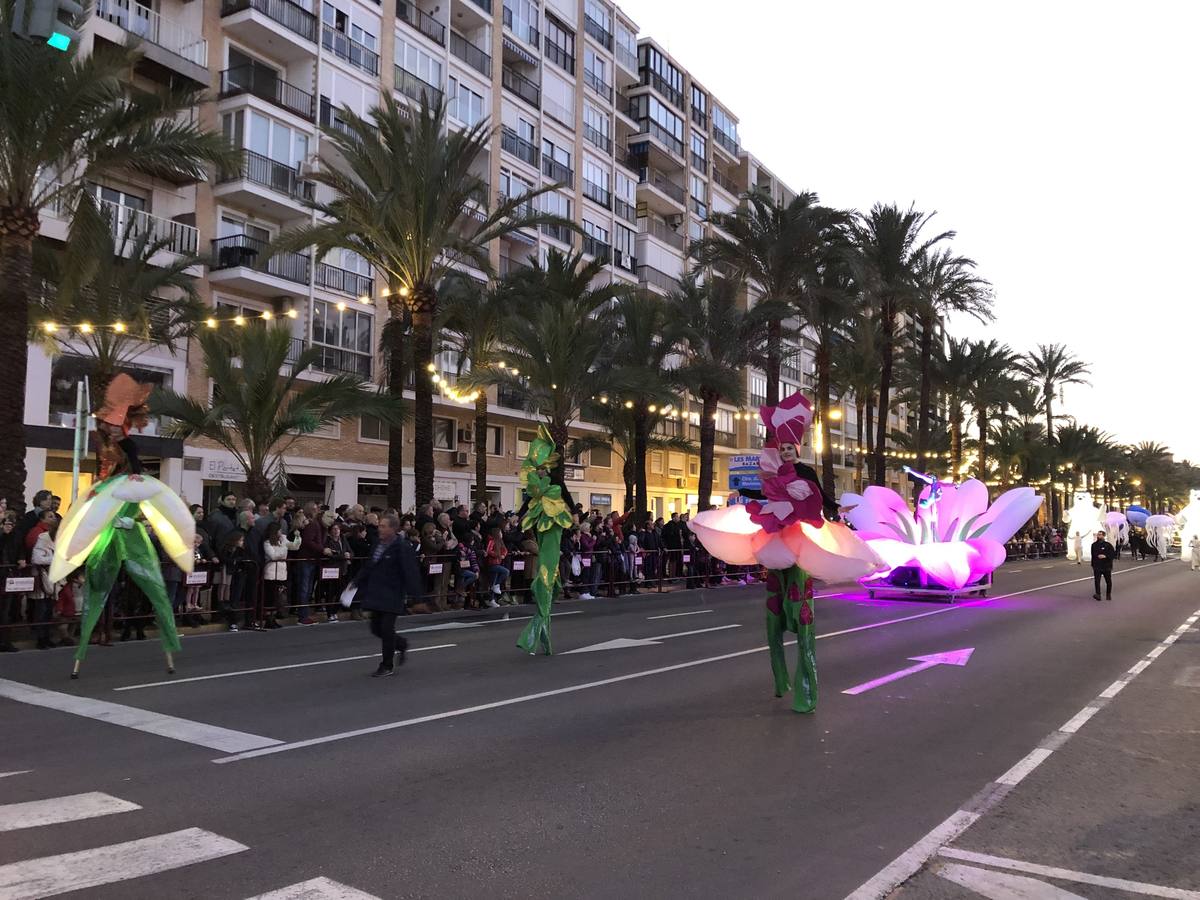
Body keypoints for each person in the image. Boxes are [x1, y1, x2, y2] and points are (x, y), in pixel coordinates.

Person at [351, 513, 421, 677]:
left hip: (393, 594)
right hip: (377, 592)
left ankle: (386, 665)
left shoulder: (402, 547)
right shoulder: (378, 544)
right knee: (376, 628)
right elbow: (370, 565)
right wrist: (356, 581)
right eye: (379, 525)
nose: (379, 529)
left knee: (387, 629)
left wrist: (416, 598)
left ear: (393, 528)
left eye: (383, 526)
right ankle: (401, 644)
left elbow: (410, 572)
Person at [262, 521, 301, 628]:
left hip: (281, 572)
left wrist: (297, 537)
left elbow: (294, 546)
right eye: (279, 530)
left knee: (278, 597)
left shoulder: (283, 539)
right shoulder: (267, 542)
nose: (281, 532)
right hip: (271, 573)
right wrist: (284, 550)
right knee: (270, 597)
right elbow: (273, 556)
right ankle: (268, 619)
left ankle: (274, 618)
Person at [1090, 529, 1115, 601]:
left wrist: (1105, 556)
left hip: (1106, 566)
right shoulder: (1094, 545)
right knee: (1097, 581)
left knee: (1108, 581)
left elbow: (1112, 554)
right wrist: (1097, 557)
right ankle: (1098, 594)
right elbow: (1093, 554)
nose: (1098, 536)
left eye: (1100, 535)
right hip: (1097, 566)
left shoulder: (1108, 545)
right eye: (1098, 534)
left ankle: (1108, 594)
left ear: (1104, 536)